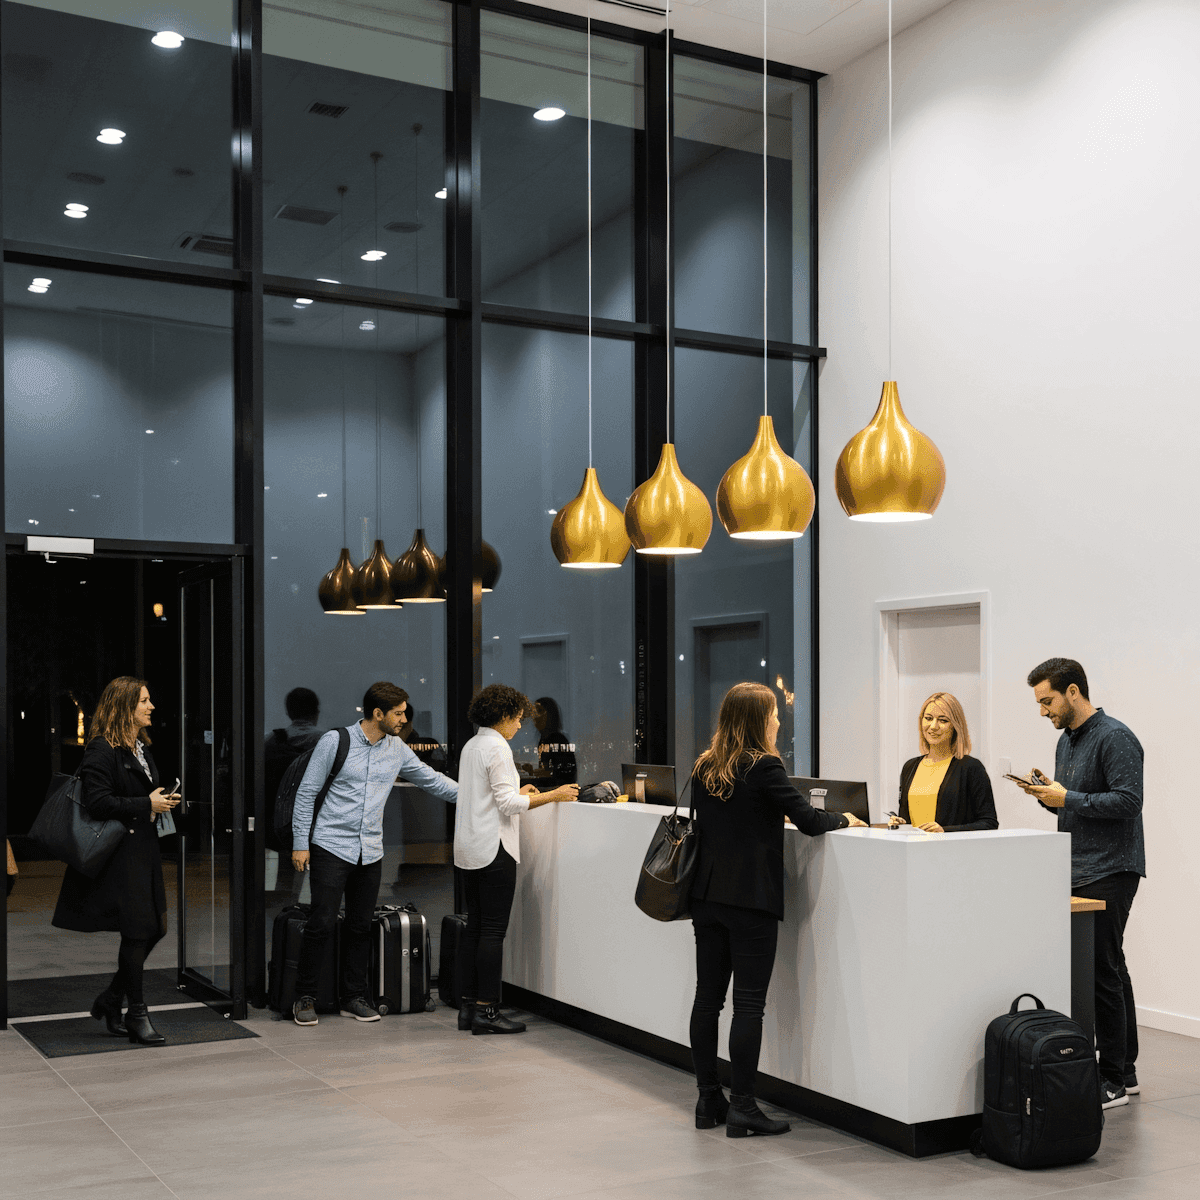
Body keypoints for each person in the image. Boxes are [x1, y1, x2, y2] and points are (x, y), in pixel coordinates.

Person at [688, 682, 867, 1137]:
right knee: (749, 1004)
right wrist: (845, 818)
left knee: (707, 999)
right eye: (772, 713)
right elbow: (809, 822)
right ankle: (743, 1107)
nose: (778, 720)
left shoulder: (706, 766)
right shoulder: (764, 765)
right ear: (756, 720)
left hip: (706, 899)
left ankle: (709, 1100)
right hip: (750, 901)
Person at [290, 681, 458, 1026]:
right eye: (398, 713)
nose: (404, 718)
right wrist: (300, 842)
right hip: (331, 846)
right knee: (320, 923)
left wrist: (485, 797)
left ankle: (353, 997)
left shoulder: (396, 749)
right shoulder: (335, 742)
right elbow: (306, 793)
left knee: (360, 926)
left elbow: (432, 780)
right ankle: (303, 997)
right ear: (377, 713)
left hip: (370, 850)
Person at [1017, 658, 1144, 1110]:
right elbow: (1075, 808)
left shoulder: (1115, 737)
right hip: (1078, 866)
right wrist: (1049, 797)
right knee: (1109, 967)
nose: (1043, 711)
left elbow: (1128, 802)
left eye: (1047, 701)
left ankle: (1110, 1078)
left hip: (1112, 869)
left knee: (1099, 973)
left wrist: (1066, 796)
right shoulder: (1067, 742)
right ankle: (1124, 1071)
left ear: (1073, 692)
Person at [52, 677, 181, 1046]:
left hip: (144, 851)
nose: (151, 706)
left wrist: (158, 800)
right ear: (125, 707)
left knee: (155, 929)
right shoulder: (101, 749)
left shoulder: (139, 746)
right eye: (144, 700)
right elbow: (97, 802)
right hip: (119, 856)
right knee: (138, 931)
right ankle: (136, 1014)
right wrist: (147, 804)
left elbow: (136, 793)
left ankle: (111, 1000)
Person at [455, 683, 579, 1034]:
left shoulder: (472, 745)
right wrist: (554, 795)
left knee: (475, 928)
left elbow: (493, 795)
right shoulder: (496, 747)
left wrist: (519, 791)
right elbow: (507, 805)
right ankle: (487, 1011)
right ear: (504, 716)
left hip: (469, 848)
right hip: (493, 848)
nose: (521, 725)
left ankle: (468, 1008)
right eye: (518, 718)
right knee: (493, 932)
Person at [888, 692, 998, 832]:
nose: (933, 726)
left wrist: (945, 830)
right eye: (928, 718)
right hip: (914, 851)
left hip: (951, 851)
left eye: (943, 720)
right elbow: (908, 820)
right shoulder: (909, 767)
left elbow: (989, 823)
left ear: (955, 726)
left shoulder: (971, 768)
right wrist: (899, 823)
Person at [264, 687, 324, 893]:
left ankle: (285, 910)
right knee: (323, 879)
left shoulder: (272, 739)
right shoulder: (325, 741)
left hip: (279, 818)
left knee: (286, 873)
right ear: (316, 711)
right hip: (316, 819)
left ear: (289, 712)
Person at [532, 696, 577, 784]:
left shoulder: (558, 739)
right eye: (534, 712)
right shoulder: (544, 739)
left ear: (550, 715)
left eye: (539, 711)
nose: (535, 716)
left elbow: (561, 774)